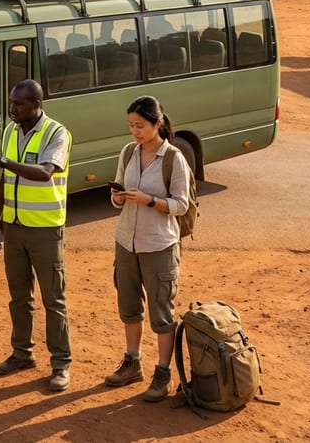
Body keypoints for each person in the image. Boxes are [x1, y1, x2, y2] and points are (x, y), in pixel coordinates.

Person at [0, 80, 73, 392]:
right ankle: (22, 353)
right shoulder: (12, 132)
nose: (11, 109)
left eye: (18, 104)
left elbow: (45, 172)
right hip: (15, 228)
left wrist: (2, 161)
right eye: (11, 102)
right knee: (19, 297)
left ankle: (60, 363)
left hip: (45, 230)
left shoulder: (57, 133)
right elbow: (7, 179)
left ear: (36, 105)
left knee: (53, 299)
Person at [105, 96, 191, 404]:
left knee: (161, 312)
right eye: (131, 126)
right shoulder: (128, 152)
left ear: (158, 124)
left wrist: (150, 201)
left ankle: (163, 372)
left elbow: (182, 204)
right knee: (129, 306)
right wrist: (119, 198)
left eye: (140, 126)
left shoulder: (173, 158)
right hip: (126, 241)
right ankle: (133, 362)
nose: (135, 132)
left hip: (159, 245)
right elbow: (117, 187)